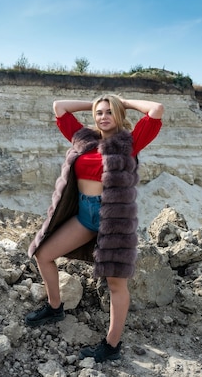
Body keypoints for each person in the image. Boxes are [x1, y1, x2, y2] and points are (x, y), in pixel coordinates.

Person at [25, 93, 164, 363]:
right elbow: (60, 108)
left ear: (119, 115)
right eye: (99, 112)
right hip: (85, 216)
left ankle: (111, 345)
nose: (103, 116)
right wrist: (96, 101)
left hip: (114, 221)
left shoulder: (129, 143)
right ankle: (55, 307)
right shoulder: (84, 138)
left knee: (115, 283)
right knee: (43, 255)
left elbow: (156, 110)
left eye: (109, 112)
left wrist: (122, 101)